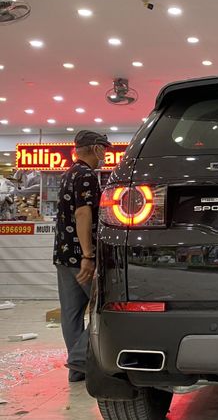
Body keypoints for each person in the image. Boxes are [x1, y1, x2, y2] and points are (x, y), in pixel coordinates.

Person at [53, 131, 111, 382]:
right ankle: (78, 359)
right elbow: (83, 214)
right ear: (96, 148)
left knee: (71, 313)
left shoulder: (68, 174)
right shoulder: (86, 176)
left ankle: (78, 370)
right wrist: (88, 255)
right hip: (81, 256)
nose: (105, 154)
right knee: (104, 307)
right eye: (104, 149)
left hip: (63, 254)